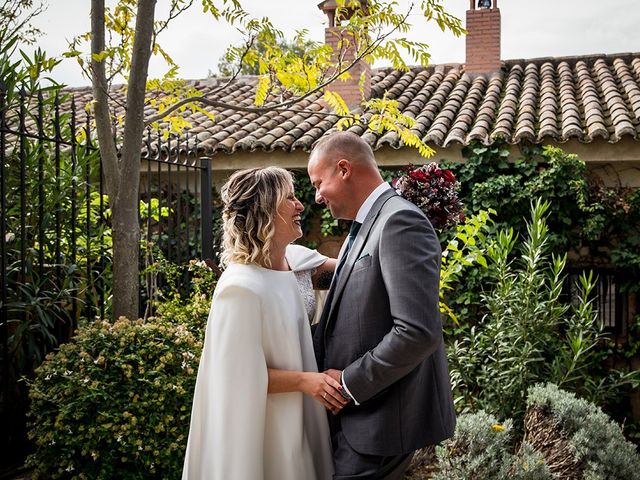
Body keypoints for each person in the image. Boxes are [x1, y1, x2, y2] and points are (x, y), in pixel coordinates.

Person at [307, 132, 456, 479]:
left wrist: (347, 384)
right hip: (360, 420)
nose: (316, 197)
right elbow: (360, 289)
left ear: (344, 169)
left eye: (318, 183)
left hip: (382, 421)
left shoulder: (400, 222)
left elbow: (417, 331)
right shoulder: (363, 225)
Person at [182, 166, 346, 480]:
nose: (301, 205)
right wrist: (305, 381)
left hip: (304, 411)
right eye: (290, 198)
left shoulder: (296, 261)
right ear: (264, 211)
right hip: (268, 422)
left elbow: (356, 270)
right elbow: (235, 376)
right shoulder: (239, 288)